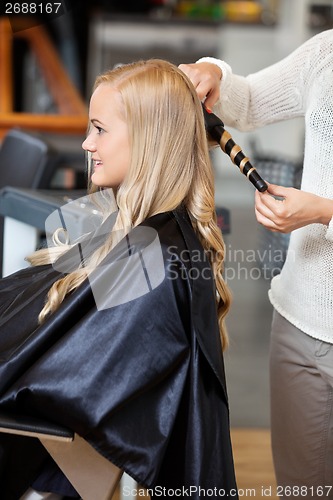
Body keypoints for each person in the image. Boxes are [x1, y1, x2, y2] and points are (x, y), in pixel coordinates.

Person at [0, 60, 238, 499]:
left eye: (100, 129)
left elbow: (77, 378)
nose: (87, 143)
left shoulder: (155, 257)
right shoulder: (138, 230)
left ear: (150, 141)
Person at [180, 29, 333, 497]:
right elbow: (248, 100)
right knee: (302, 489)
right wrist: (214, 73)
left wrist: (325, 212)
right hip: (300, 323)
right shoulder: (327, 51)